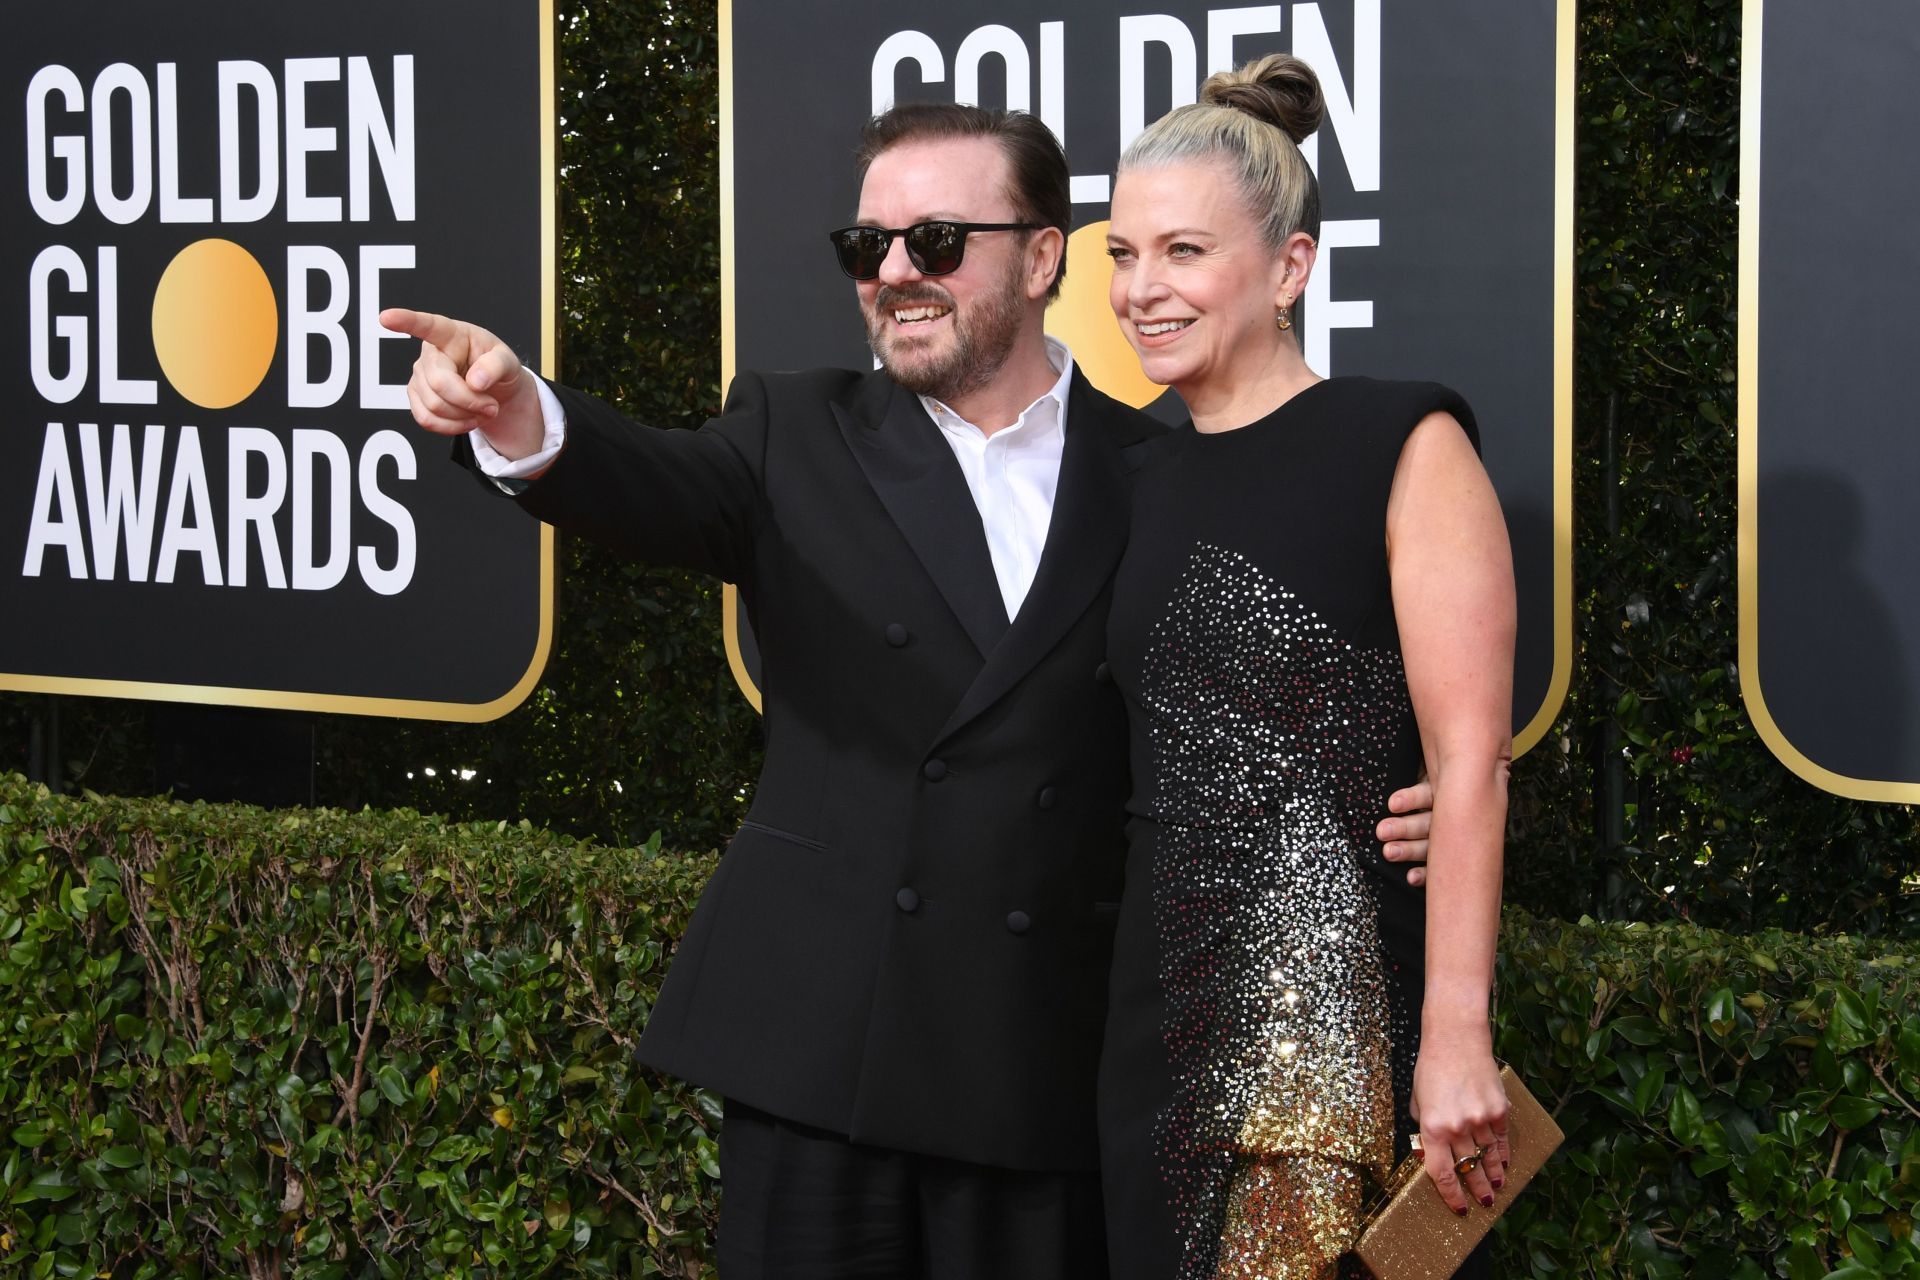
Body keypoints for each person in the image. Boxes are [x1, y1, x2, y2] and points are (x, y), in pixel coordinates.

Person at [385, 101, 1435, 1279]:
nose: (893, 271)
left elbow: (1259, 702)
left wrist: (1421, 789)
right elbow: (650, 481)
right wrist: (524, 416)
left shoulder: (1156, 468)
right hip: (827, 1056)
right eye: (865, 246)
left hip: (1039, 1066)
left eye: (935, 240)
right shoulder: (796, 427)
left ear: (1042, 258)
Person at [1095, 54, 1514, 1280]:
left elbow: (1469, 759)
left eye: (1182, 251)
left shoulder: (1403, 441)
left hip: (1347, 1033)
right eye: (1122, 254)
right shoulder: (1133, 477)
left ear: (1290, 266)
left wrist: (1455, 1039)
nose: (1140, 289)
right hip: (1158, 1027)